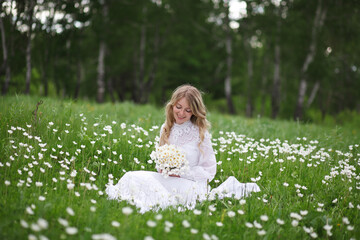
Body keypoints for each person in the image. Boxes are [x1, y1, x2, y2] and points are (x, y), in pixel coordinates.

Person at [105, 84, 260, 213]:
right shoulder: (166, 128)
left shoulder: (201, 133)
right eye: (179, 107)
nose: (181, 113)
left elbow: (209, 170)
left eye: (188, 110)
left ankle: (160, 202)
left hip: (191, 185)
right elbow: (160, 160)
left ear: (195, 111)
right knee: (131, 176)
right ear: (172, 105)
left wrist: (183, 172)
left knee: (159, 192)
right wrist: (164, 167)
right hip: (167, 179)